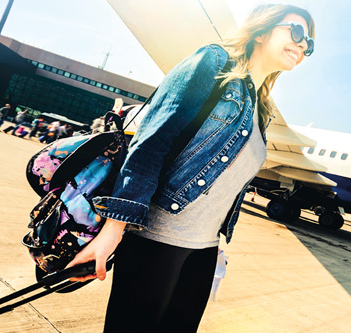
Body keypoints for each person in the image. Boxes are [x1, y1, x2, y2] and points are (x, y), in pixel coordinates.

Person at [65, 4, 314, 331]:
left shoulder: (261, 109)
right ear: (263, 29)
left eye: (309, 42)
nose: (303, 44)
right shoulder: (213, 63)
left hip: (204, 252)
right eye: (296, 32)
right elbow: (152, 142)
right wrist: (114, 229)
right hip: (156, 240)